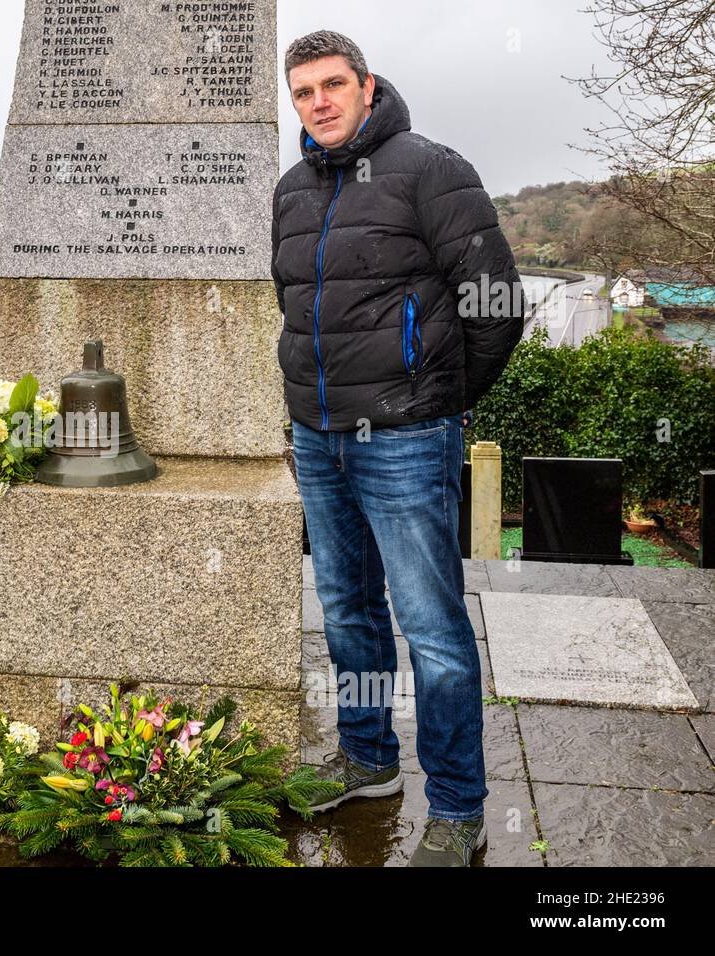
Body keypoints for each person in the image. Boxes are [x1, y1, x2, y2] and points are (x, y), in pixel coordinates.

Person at [271, 30, 524, 866]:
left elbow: (494, 304)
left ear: (367, 86)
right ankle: (369, 758)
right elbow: (299, 309)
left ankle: (457, 807)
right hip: (318, 438)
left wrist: (436, 406)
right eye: (304, 91)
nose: (320, 103)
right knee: (346, 613)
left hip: (408, 441)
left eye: (334, 85)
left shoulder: (431, 169)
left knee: (434, 630)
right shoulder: (290, 190)